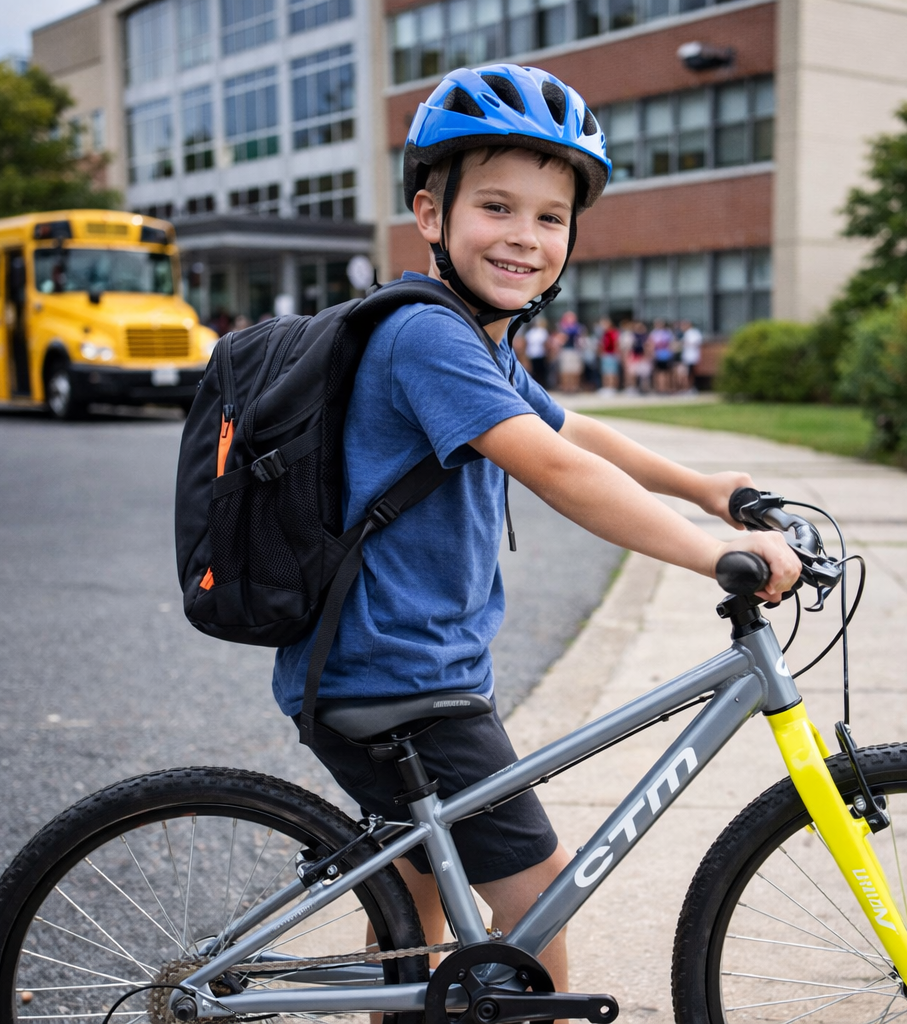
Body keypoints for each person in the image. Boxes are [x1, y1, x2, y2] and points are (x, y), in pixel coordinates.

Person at [271, 63, 800, 1004]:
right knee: (539, 907)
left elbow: (573, 430)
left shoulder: (474, 337)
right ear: (431, 215)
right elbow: (554, 469)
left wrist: (703, 487)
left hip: (395, 666)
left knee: (413, 916)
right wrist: (708, 552)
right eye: (497, 207)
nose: (525, 236)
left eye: (551, 217)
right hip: (401, 681)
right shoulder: (427, 337)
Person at [649, 318, 675, 393]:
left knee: (667, 373)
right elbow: (651, 344)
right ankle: (659, 388)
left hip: (666, 356)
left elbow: (671, 344)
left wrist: (671, 353)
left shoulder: (668, 333)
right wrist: (652, 354)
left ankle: (666, 388)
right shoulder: (653, 333)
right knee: (657, 372)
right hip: (657, 356)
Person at [524, 316, 550, 389]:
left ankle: (539, 384)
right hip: (536, 354)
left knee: (538, 370)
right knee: (538, 371)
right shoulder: (540, 332)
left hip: (537, 353)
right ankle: (539, 384)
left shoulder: (532, 332)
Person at [678, 318, 703, 393]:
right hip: (687, 357)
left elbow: (696, 343)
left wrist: (685, 343)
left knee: (692, 373)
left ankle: (694, 388)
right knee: (687, 373)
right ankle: (688, 388)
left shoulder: (695, 332)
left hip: (693, 356)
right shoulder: (686, 333)